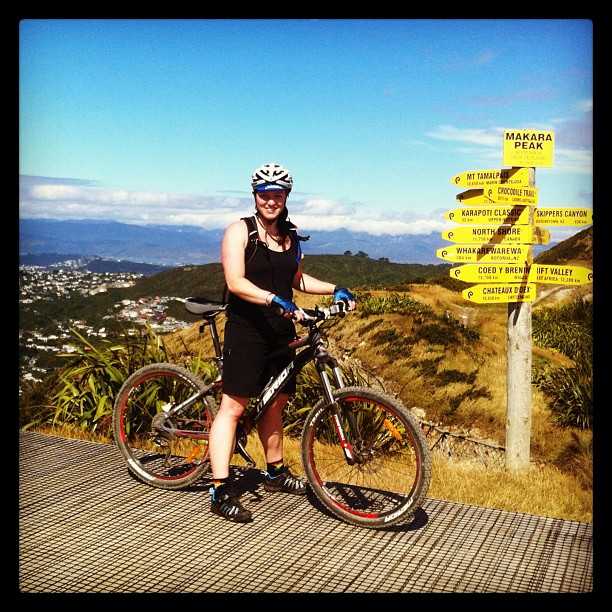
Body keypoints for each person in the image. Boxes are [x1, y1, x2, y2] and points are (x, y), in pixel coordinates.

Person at [208, 162, 356, 522]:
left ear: (286, 196)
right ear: (255, 196)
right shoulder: (239, 232)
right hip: (247, 330)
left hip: (281, 331)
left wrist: (334, 288)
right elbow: (236, 282)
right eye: (264, 194)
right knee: (234, 408)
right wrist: (273, 299)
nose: (270, 200)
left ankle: (274, 471)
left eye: (277, 194)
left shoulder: (289, 236)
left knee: (276, 403)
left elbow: (298, 281)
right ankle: (220, 488)